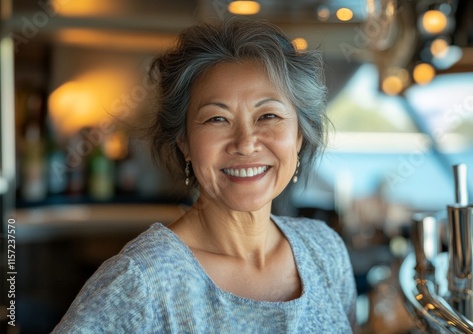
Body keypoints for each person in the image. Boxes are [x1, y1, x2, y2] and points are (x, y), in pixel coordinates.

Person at [52, 18, 356, 333]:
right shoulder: (143, 281)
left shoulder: (325, 251)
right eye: (217, 119)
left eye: (268, 115)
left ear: (298, 137)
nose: (246, 143)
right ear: (184, 142)